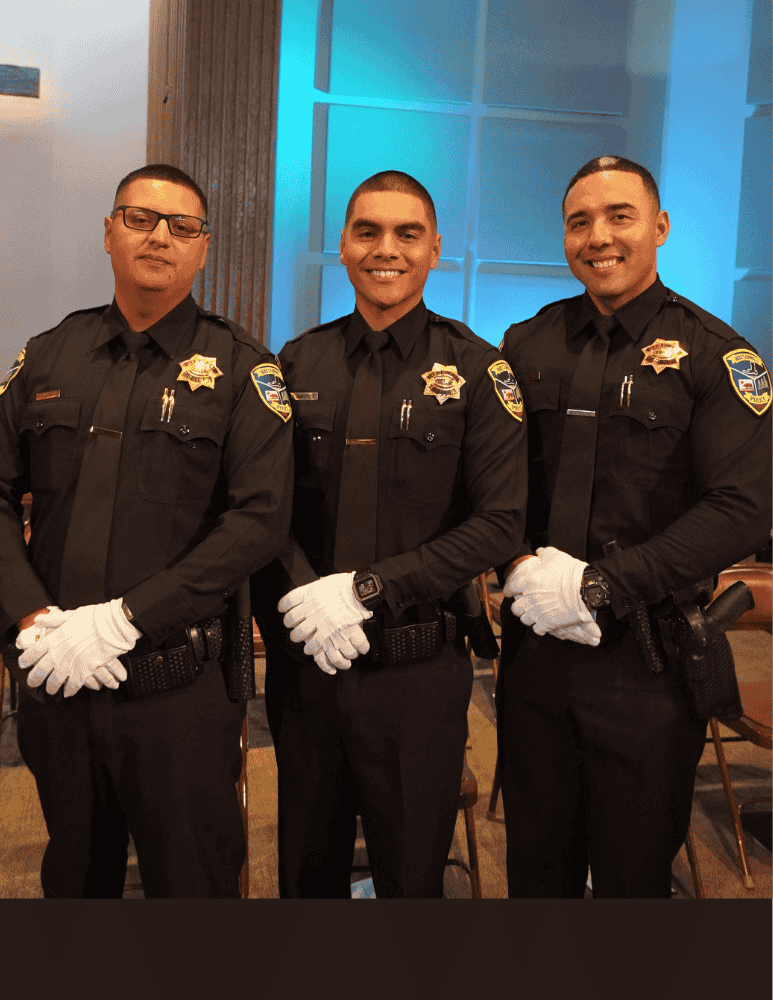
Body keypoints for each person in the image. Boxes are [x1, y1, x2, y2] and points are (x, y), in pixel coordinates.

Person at [0, 164, 294, 897]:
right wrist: (30, 616)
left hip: (177, 695)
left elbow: (258, 522)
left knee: (192, 889)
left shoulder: (241, 369)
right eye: (139, 218)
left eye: (182, 226)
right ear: (108, 232)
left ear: (203, 249)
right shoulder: (47, 356)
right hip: (59, 685)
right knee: (73, 880)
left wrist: (126, 620)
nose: (159, 236)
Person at [497, 155, 772, 898]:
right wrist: (514, 565)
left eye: (619, 216)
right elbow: (496, 481)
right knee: (534, 868)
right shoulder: (525, 344)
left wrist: (597, 584)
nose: (598, 236)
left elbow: (743, 506)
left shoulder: (720, 355)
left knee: (631, 877)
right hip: (535, 656)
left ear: (658, 226)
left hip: (646, 662)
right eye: (578, 220)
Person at [251, 170, 527, 898]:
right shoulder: (292, 364)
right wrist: (307, 601)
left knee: (410, 876)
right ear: (342, 246)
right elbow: (261, 509)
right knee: (307, 872)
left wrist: (368, 590)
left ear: (434, 249)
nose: (387, 249)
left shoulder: (476, 370)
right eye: (367, 231)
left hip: (417, 672)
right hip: (309, 666)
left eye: (407, 234)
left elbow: (499, 522)